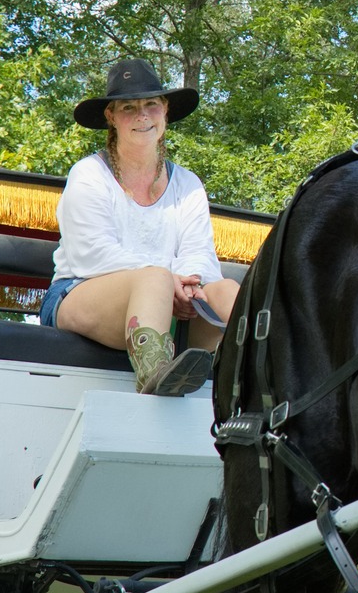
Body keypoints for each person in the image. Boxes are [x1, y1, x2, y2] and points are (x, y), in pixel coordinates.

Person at [39, 58, 240, 396]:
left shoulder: (188, 183)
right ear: (111, 117)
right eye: (129, 107)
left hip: (170, 301)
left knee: (227, 291)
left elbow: (199, 253)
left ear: (165, 112)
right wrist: (165, 281)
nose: (142, 115)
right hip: (82, 293)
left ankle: (265, 387)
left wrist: (186, 286)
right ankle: (156, 379)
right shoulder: (89, 174)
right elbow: (92, 253)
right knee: (154, 279)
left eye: (151, 105)